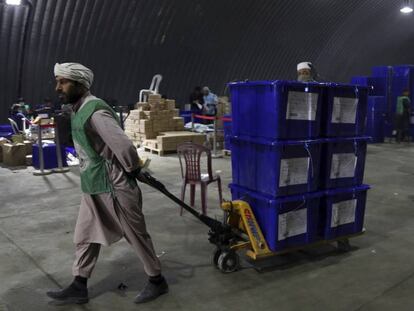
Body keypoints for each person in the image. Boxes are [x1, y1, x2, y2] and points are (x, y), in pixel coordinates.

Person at [46, 62, 167, 304]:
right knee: (84, 235)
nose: (58, 87)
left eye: (63, 82)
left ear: (80, 83)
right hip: (93, 184)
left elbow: (121, 144)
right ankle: (79, 284)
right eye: (57, 81)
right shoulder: (78, 109)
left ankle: (157, 280)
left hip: (114, 185)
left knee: (135, 234)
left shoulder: (95, 110)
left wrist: (133, 168)